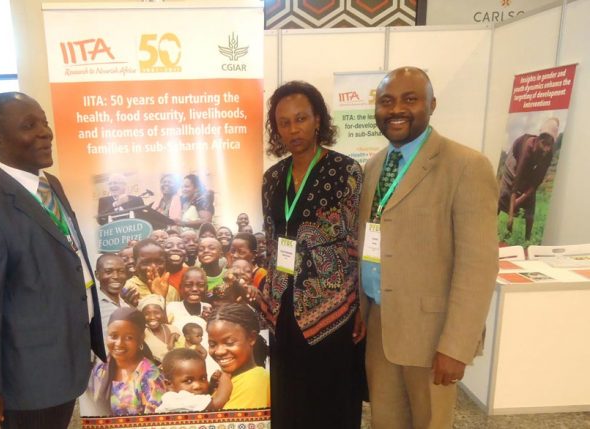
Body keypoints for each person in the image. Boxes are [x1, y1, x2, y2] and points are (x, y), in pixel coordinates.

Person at [359, 67, 498, 428]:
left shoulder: (466, 166)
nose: (396, 110)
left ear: (432, 104)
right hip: (381, 327)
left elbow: (478, 265)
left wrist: (456, 346)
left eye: (410, 99)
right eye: (387, 101)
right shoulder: (374, 167)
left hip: (432, 336)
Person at [0, 92, 106, 429]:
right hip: (31, 377)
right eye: (29, 125)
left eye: (44, 122)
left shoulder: (50, 184)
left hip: (67, 354)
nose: (45, 132)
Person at [261, 81, 365, 428]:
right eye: (284, 122)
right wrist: (268, 299)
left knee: (331, 401)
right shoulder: (273, 178)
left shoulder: (346, 172)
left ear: (318, 119)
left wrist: (361, 304)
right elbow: (272, 241)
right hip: (283, 309)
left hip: (332, 309)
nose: (294, 129)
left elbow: (358, 241)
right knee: (289, 399)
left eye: (301, 118)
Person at [88, 307, 166, 415]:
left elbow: (154, 422)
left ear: (141, 338)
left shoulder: (151, 376)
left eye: (129, 337)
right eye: (113, 336)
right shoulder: (100, 369)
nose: (119, 343)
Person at [498, 117, 559, 240]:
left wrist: (518, 202)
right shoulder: (527, 146)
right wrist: (510, 216)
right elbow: (516, 182)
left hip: (532, 166)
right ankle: (492, 224)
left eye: (549, 145)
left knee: (530, 205)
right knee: (505, 191)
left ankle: (527, 242)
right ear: (538, 140)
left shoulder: (549, 153)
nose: (546, 149)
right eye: (544, 144)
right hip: (516, 157)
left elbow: (536, 183)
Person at [207, 303, 270, 410]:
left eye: (229, 342)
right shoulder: (226, 380)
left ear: (251, 338)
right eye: (212, 344)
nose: (219, 351)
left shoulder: (255, 380)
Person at [155, 348, 232, 413]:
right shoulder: (178, 400)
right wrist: (225, 375)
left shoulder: (175, 397)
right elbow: (217, 403)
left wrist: (211, 385)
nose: (198, 386)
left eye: (203, 378)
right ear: (169, 384)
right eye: (188, 381)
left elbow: (202, 396)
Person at [123, 239, 180, 304]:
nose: (153, 267)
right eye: (146, 262)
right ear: (135, 264)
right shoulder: (128, 289)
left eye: (159, 262)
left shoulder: (172, 291)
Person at [138, 294, 185, 364]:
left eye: (156, 312)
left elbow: (186, 351)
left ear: (163, 313)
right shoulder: (141, 335)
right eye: (147, 314)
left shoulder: (173, 329)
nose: (152, 317)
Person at [95, 253, 131, 340]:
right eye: (108, 272)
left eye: (121, 271)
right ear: (97, 275)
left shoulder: (127, 305)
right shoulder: (92, 306)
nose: (116, 276)